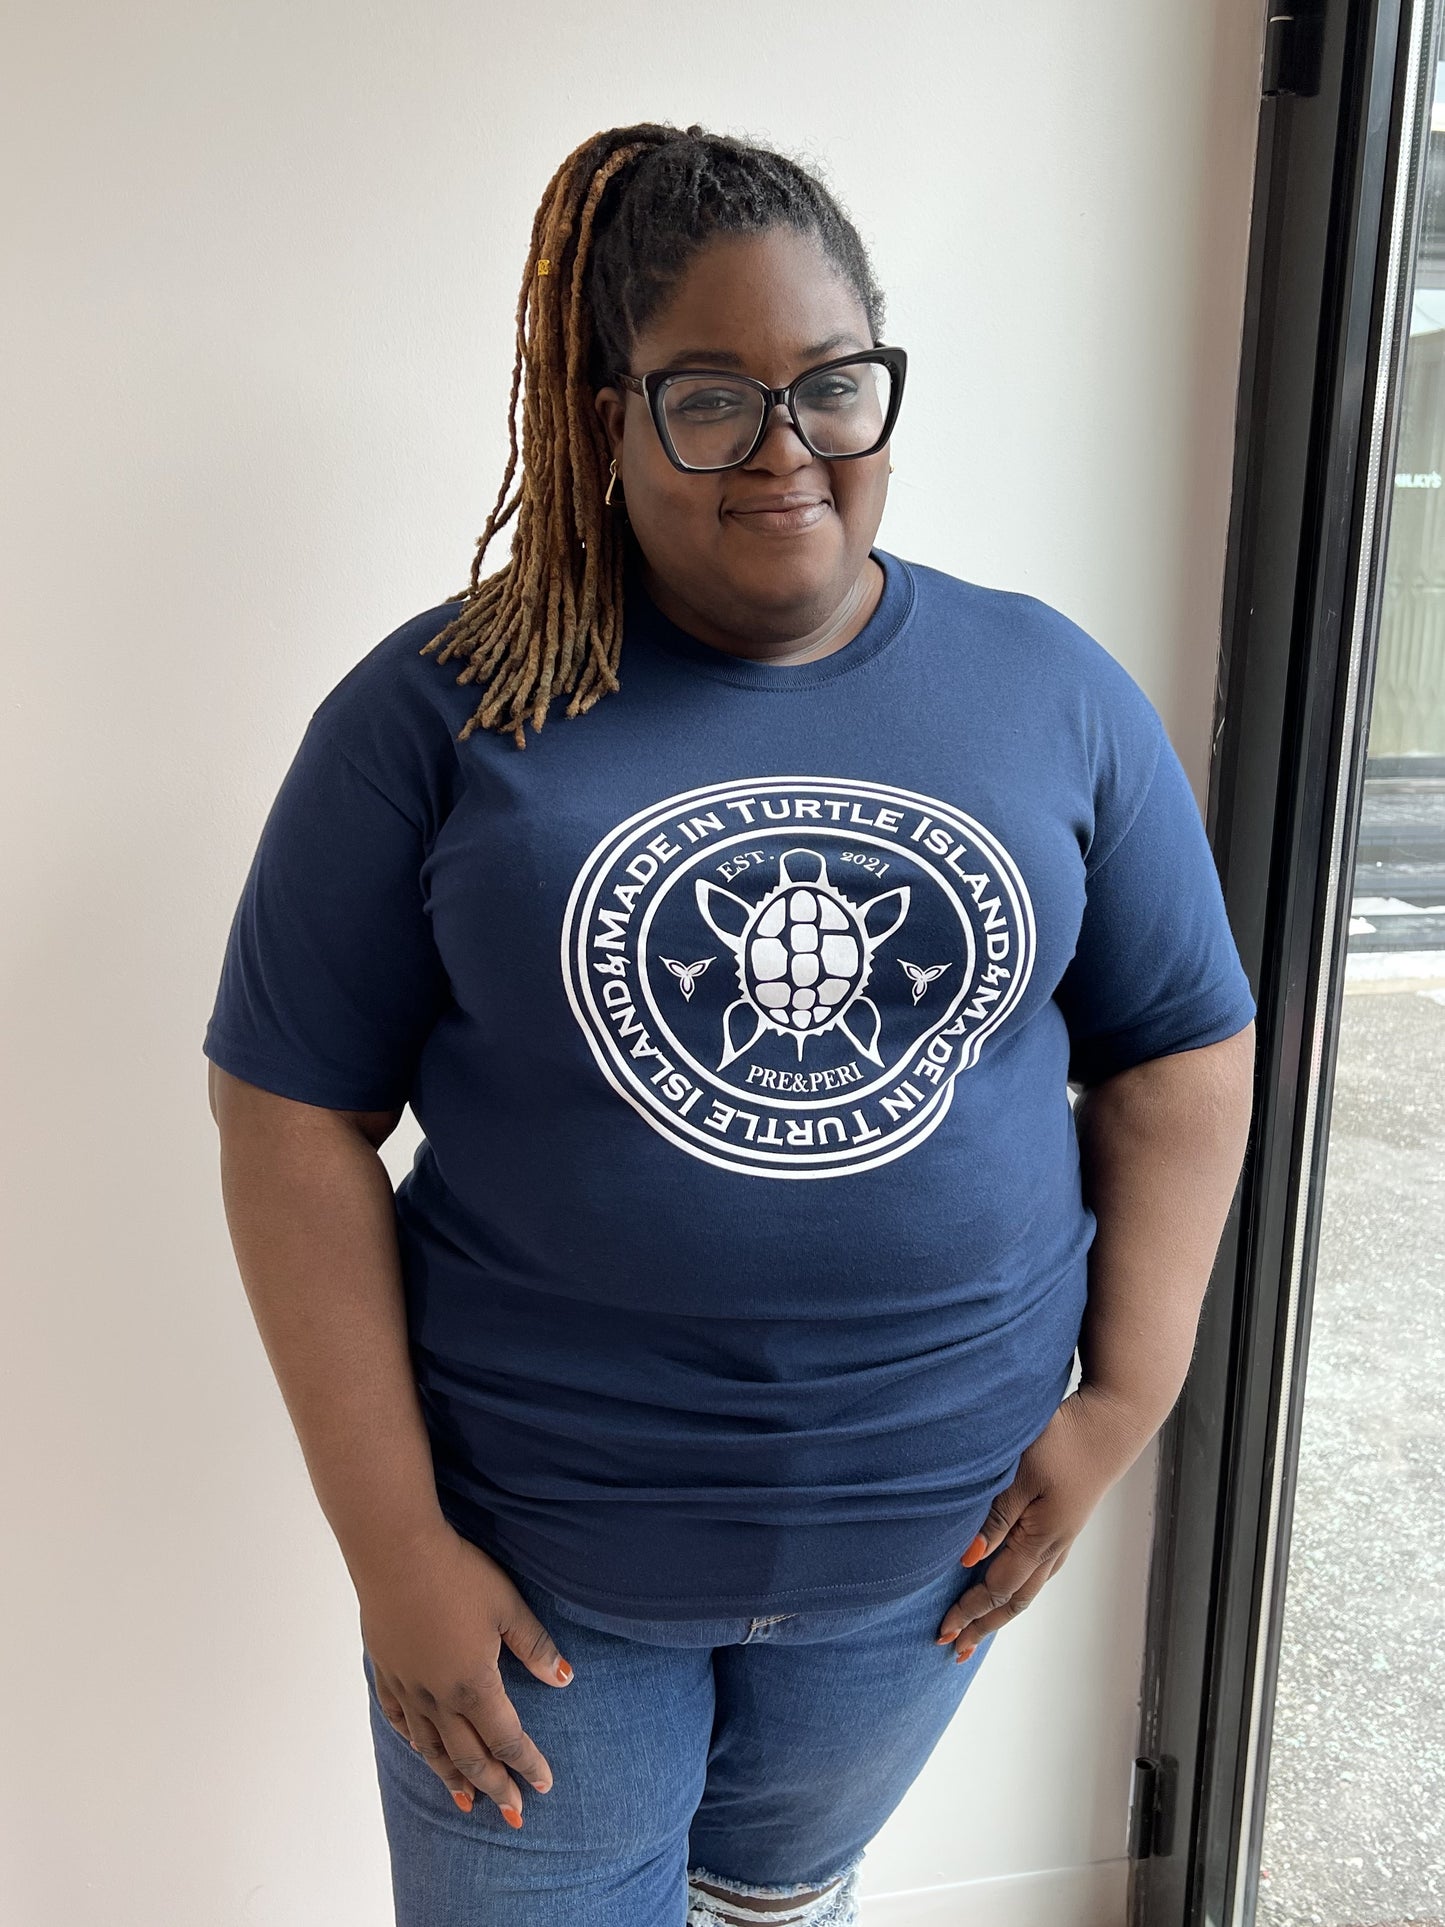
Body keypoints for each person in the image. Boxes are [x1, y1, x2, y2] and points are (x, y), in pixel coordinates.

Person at [203, 122, 1257, 1927]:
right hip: (538, 1575)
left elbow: (1178, 1043)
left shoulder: (1047, 688)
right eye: (710, 396)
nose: (787, 451)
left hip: (929, 1562)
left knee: (780, 1900)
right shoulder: (436, 714)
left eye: (831, 385)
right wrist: (393, 1552)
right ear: (596, 415)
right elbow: (287, 1113)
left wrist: (1128, 1400)